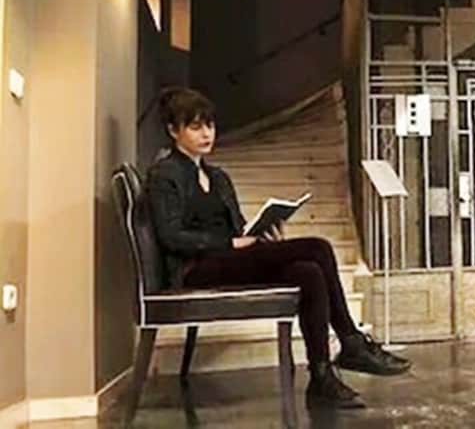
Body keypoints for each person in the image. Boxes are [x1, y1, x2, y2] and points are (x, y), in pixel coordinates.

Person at [146, 87, 409, 410]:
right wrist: (229, 243)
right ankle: (351, 341)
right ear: (174, 131)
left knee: (309, 272)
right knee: (318, 247)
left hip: (228, 259)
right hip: (194, 269)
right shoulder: (164, 174)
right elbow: (171, 236)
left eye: (210, 125)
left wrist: (261, 232)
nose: (206, 134)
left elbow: (238, 229)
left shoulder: (217, 176)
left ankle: (321, 377)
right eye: (195, 127)